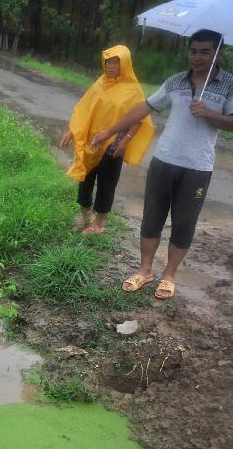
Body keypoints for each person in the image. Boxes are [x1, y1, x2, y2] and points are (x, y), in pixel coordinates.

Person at [91, 29, 233, 299]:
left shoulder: (229, 85)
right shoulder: (175, 82)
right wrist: (108, 132)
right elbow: (142, 109)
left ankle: (169, 275)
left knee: (183, 223)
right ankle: (145, 271)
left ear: (219, 53)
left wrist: (211, 114)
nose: (198, 57)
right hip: (164, 161)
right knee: (152, 217)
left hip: (197, 168)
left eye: (205, 51)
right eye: (193, 51)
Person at [60, 45, 154, 234]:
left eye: (116, 62)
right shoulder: (100, 83)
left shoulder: (133, 89)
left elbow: (139, 119)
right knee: (85, 180)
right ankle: (85, 219)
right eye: (108, 62)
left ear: (125, 64)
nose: (110, 66)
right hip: (91, 141)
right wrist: (71, 131)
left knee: (107, 183)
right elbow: (85, 108)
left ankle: (99, 224)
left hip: (114, 144)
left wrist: (125, 141)